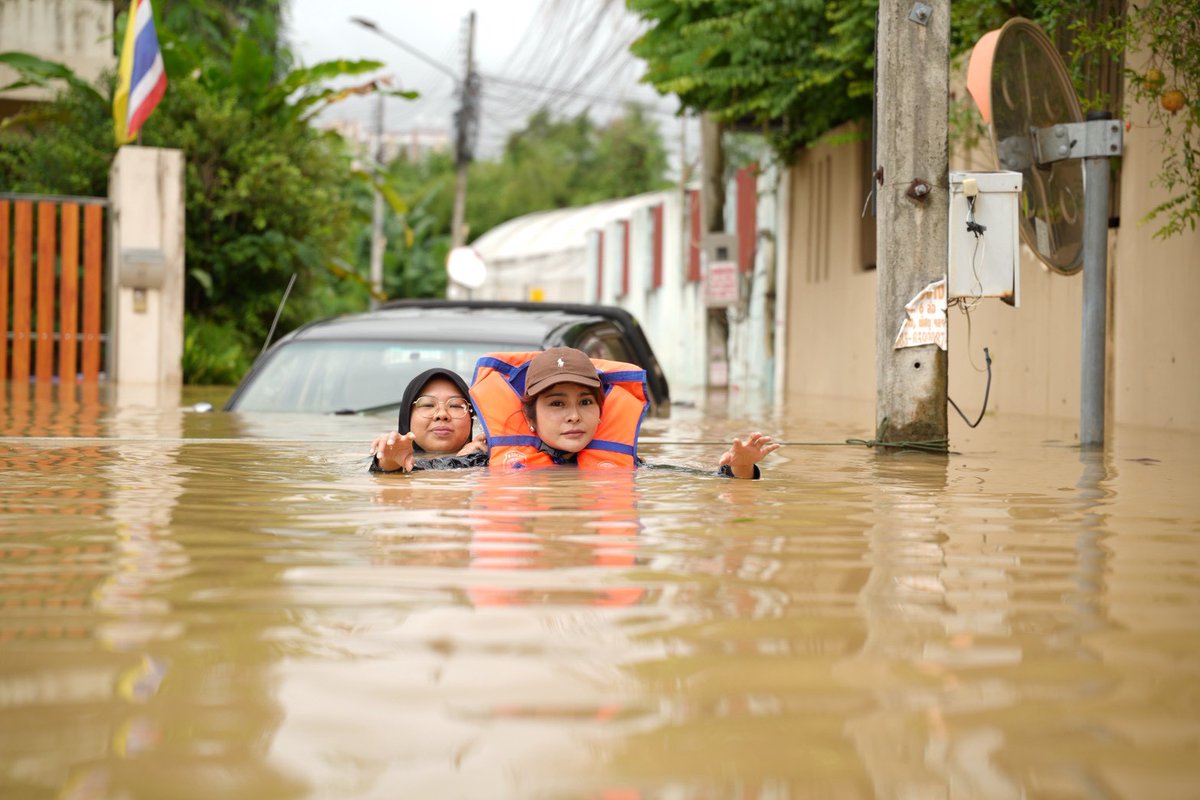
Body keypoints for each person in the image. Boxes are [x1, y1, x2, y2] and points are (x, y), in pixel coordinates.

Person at [372, 348, 778, 479]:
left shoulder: (626, 462)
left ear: (602, 414)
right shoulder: (482, 460)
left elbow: (697, 479)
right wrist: (389, 466)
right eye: (557, 403)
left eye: (586, 403)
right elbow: (428, 472)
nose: (573, 416)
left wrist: (739, 471)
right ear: (529, 418)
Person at [369, 368, 488, 473]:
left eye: (455, 405)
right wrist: (388, 463)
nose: (442, 414)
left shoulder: (494, 458)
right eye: (428, 405)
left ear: (471, 417)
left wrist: (474, 458)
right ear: (407, 417)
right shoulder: (384, 458)